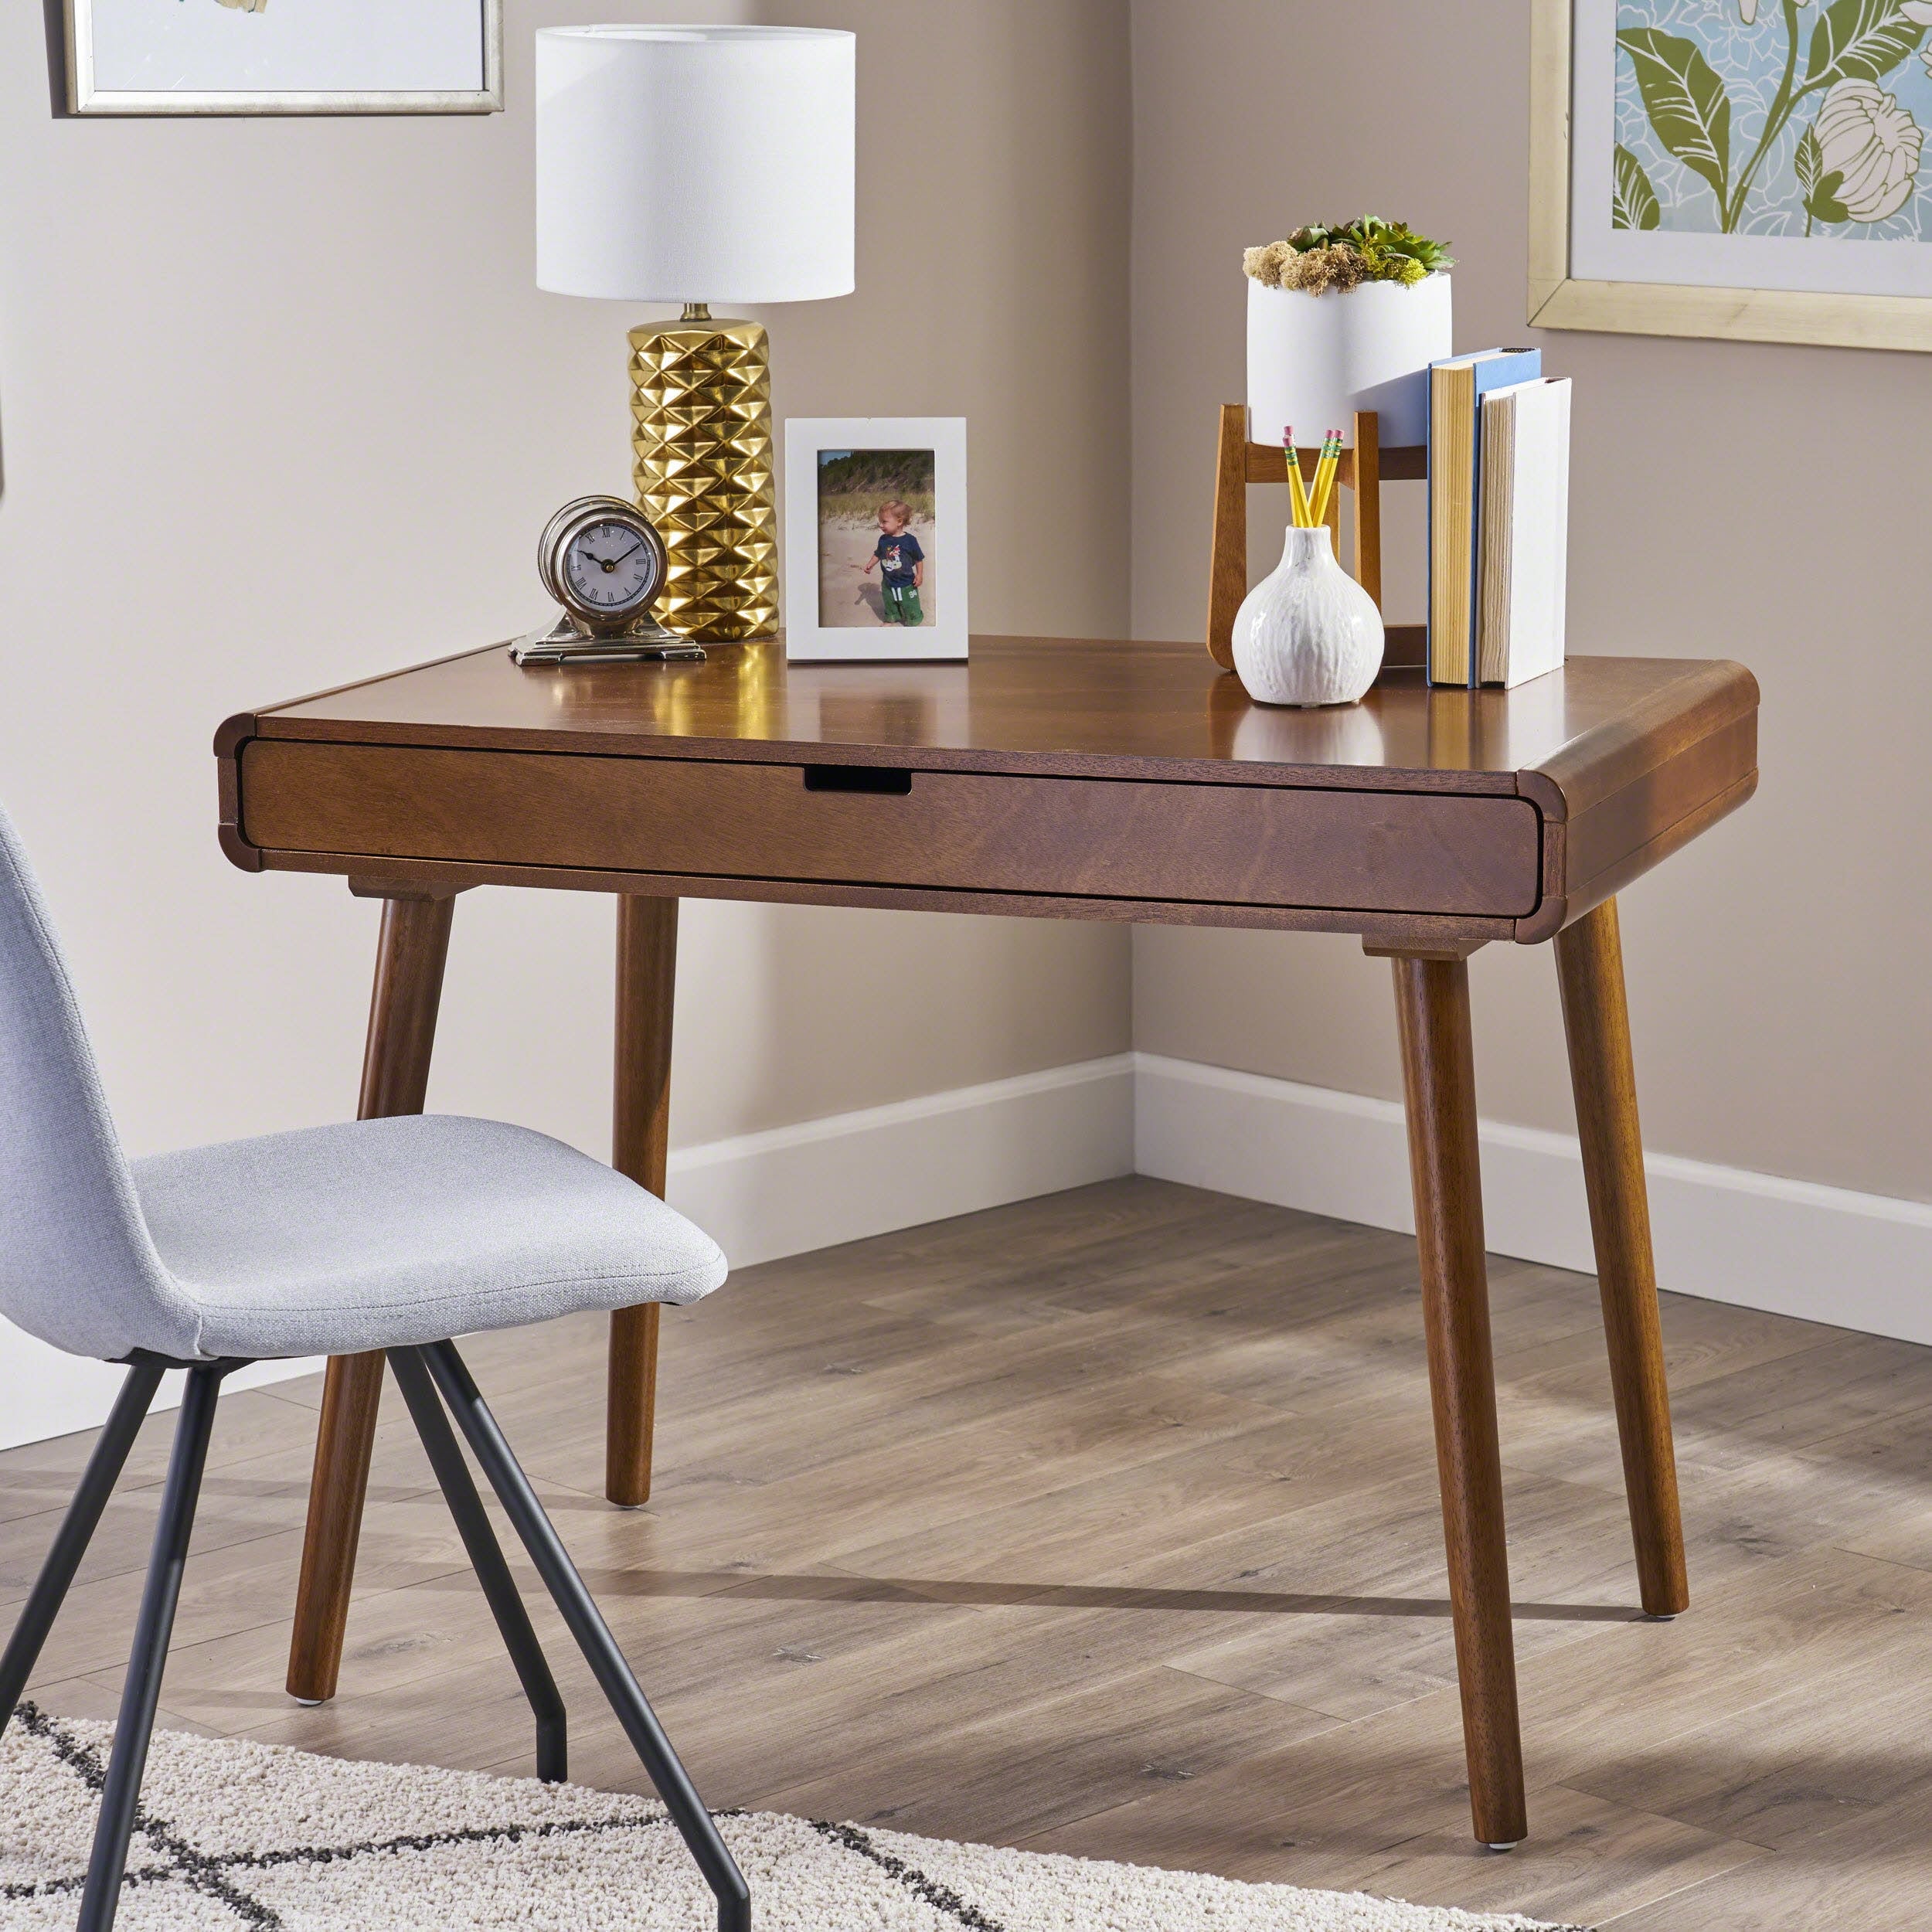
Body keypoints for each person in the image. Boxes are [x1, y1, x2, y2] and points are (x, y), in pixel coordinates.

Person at [862, 499, 925, 624]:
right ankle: (892, 617)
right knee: (889, 602)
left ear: (899, 521)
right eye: (880, 521)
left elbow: (919, 559)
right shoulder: (883, 540)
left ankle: (913, 620)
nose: (881, 525)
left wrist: (919, 575)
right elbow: (878, 554)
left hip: (907, 583)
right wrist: (870, 564)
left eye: (884, 522)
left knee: (910, 604)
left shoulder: (910, 541)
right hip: (888, 582)